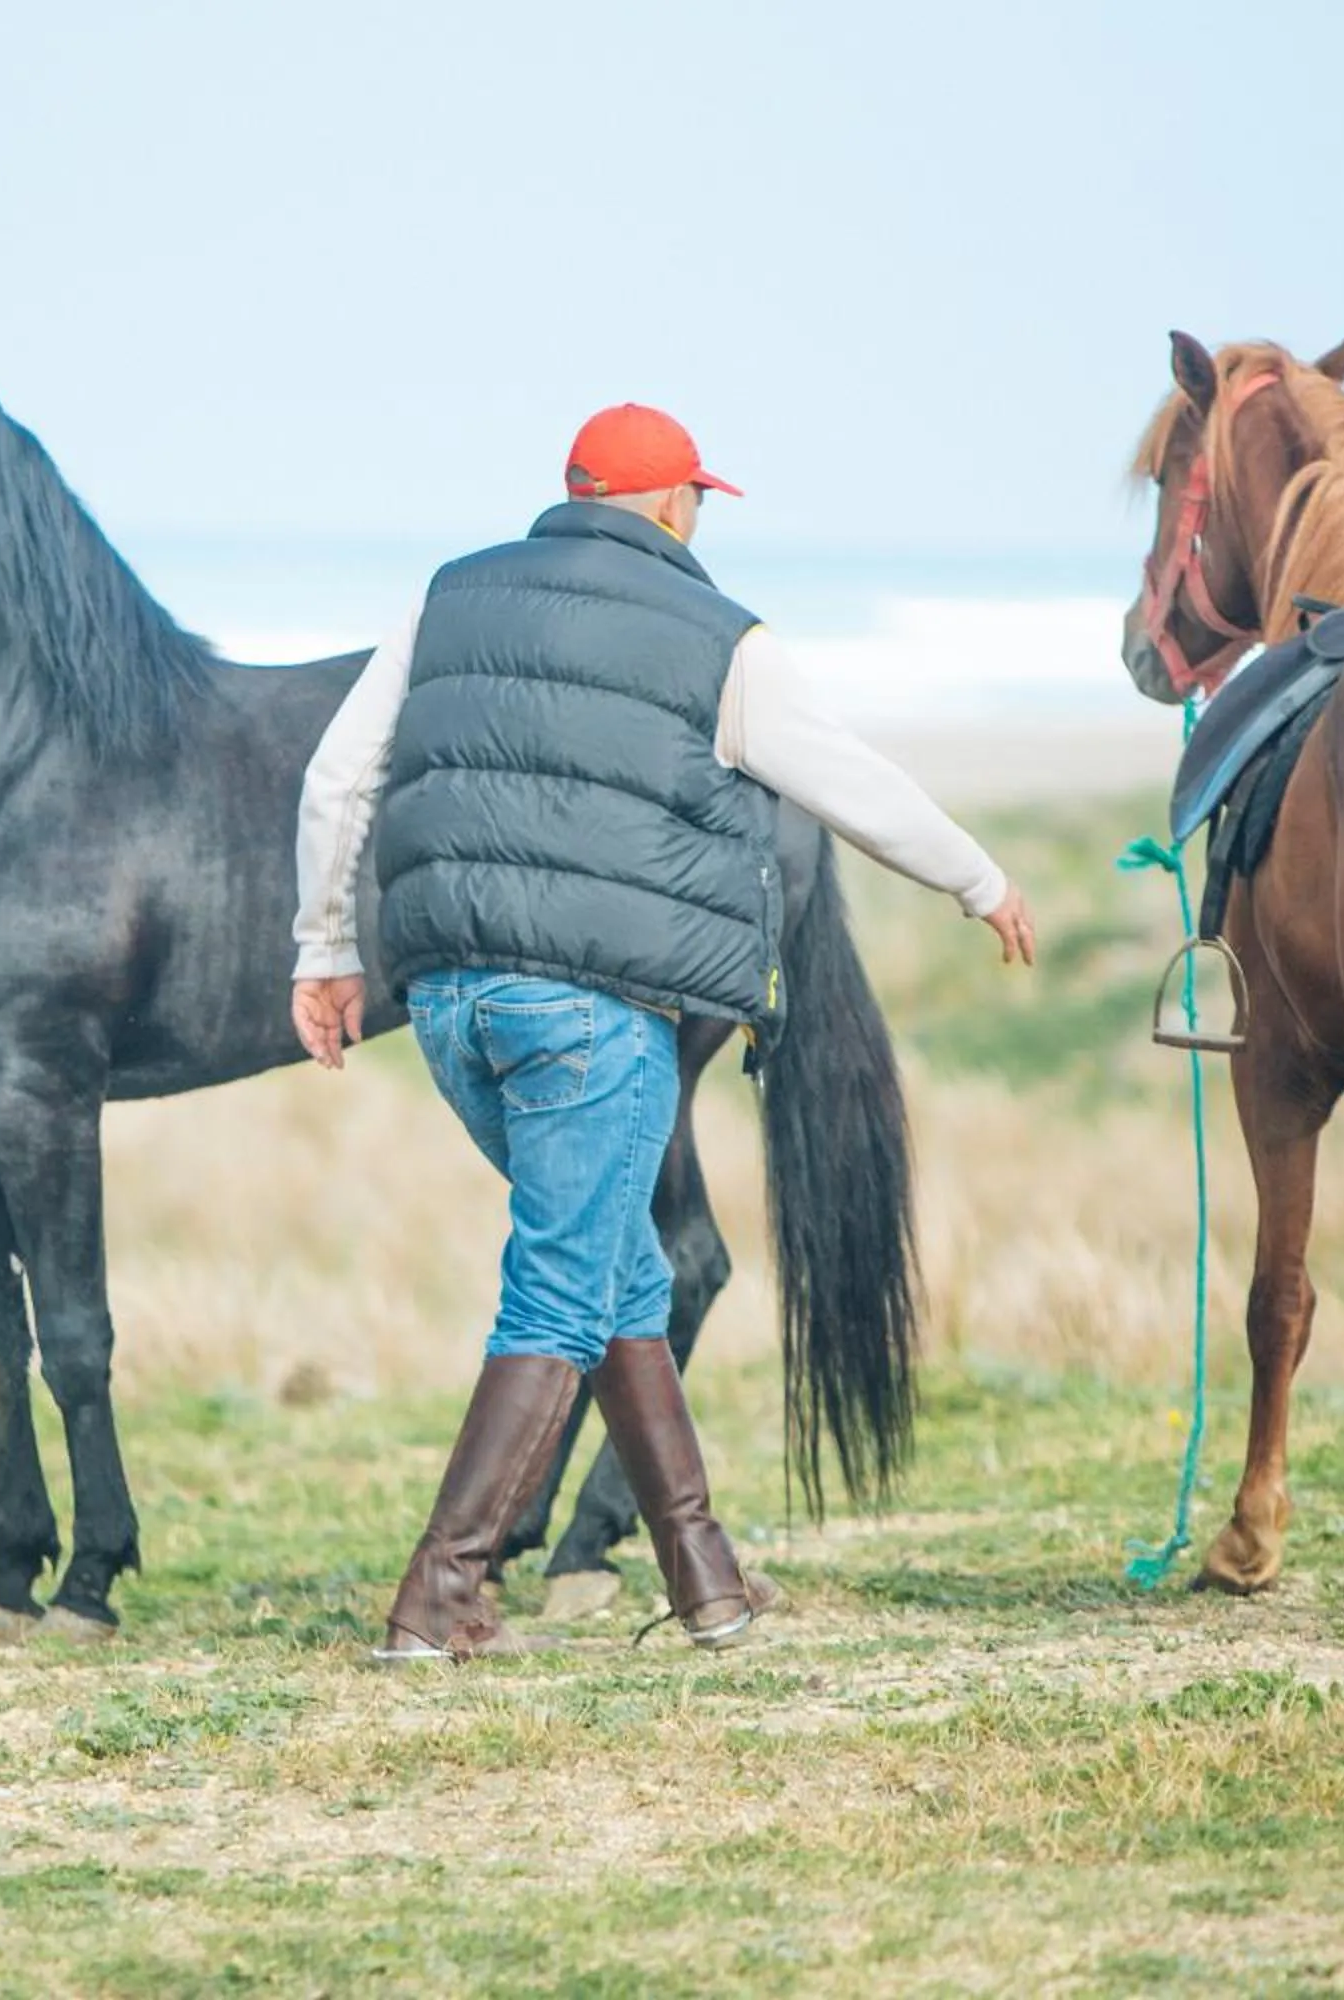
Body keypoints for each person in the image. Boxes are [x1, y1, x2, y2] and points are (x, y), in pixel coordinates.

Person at [291, 404, 1037, 1664]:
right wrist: (980, 880)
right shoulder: (720, 641)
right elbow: (849, 779)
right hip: (593, 1016)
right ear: (678, 506)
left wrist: (325, 949)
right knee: (563, 1288)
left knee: (619, 1269)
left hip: (452, 1007)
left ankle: (708, 1580)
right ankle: (443, 1591)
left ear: (574, 492)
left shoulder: (450, 595)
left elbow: (336, 775)